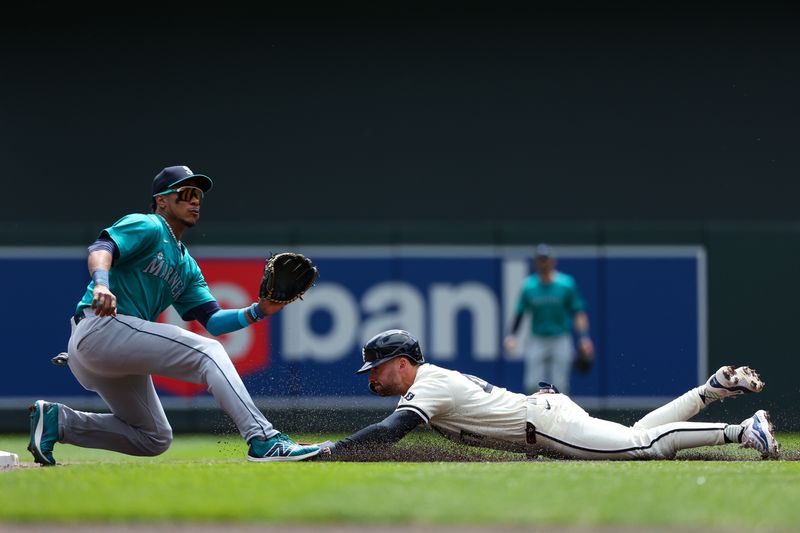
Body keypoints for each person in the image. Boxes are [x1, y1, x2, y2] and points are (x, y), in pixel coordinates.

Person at [27, 165, 320, 466]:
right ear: (162, 200)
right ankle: (264, 439)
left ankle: (57, 422)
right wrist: (102, 283)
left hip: (110, 350)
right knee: (208, 353)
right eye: (186, 194)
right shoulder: (148, 225)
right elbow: (102, 247)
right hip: (101, 327)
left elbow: (214, 321)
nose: (195, 201)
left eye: (198, 196)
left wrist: (260, 311)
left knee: (153, 437)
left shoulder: (187, 266)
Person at [314, 329, 780, 461]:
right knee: (635, 434)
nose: (370, 378)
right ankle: (711, 389)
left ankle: (742, 431)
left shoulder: (428, 384)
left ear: (400, 364)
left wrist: (335, 451)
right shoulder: (427, 383)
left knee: (643, 446)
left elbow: (391, 432)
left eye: (375, 369)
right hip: (545, 411)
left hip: (547, 425)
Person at [504, 243, 594, 394]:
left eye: (545, 259)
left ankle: (560, 417)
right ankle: (535, 416)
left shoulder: (565, 284)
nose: (543, 263)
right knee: (532, 383)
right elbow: (520, 313)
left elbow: (578, 312)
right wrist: (512, 336)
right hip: (537, 338)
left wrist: (584, 338)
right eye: (540, 260)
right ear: (536, 262)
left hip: (560, 337)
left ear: (553, 261)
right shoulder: (529, 286)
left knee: (560, 384)